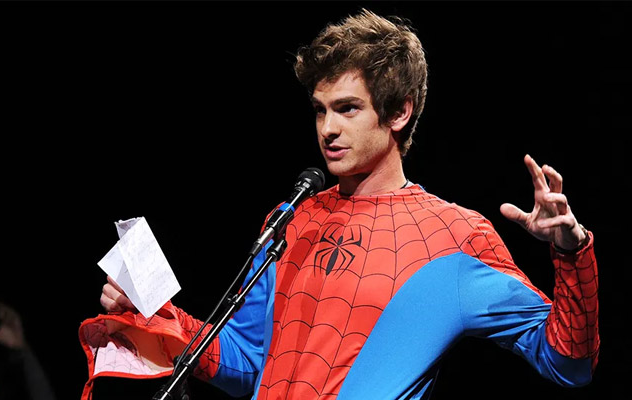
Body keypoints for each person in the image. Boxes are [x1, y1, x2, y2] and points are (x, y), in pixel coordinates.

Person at [80, 9, 598, 399]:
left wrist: (571, 254)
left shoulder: (456, 236)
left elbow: (568, 365)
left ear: (399, 112)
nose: (327, 128)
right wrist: (159, 314)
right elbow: (245, 364)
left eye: (347, 109)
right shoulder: (290, 218)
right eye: (320, 110)